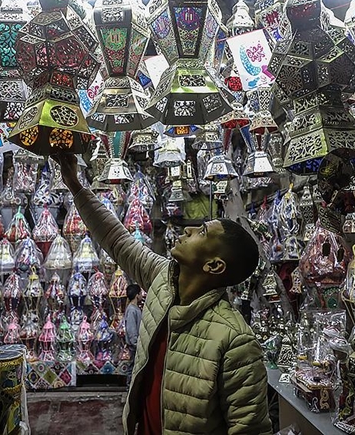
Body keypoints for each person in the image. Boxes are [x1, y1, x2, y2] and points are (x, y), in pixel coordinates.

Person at [54, 153, 272, 435]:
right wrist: (75, 185)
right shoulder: (162, 280)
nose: (188, 230)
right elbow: (118, 240)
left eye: (201, 233)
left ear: (213, 265)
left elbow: (251, 429)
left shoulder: (235, 342)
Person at [124, 284, 143, 359]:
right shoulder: (132, 310)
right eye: (140, 293)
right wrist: (136, 343)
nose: (142, 295)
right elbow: (131, 329)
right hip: (134, 348)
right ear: (137, 295)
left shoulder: (135, 308)